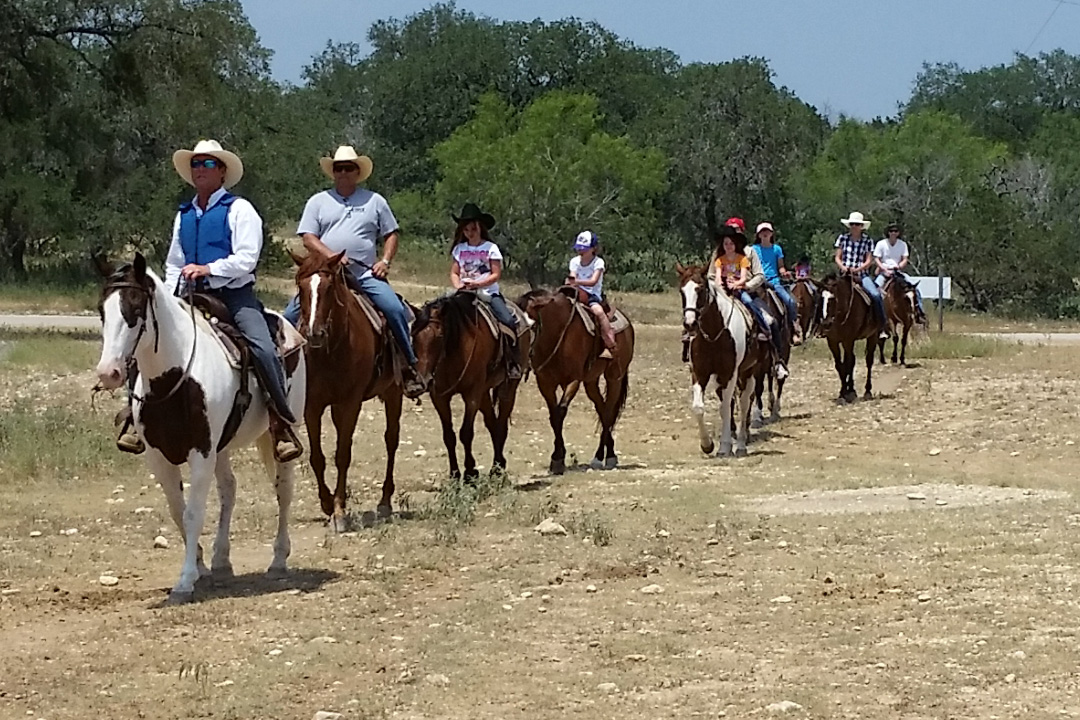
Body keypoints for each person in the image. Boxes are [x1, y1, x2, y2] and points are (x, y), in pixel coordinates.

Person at [116, 139, 302, 462]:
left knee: (261, 344)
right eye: (195, 164)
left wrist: (208, 268)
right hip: (189, 294)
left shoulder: (240, 210)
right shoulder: (184, 214)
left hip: (233, 295)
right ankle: (134, 417)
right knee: (143, 343)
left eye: (207, 164)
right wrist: (171, 295)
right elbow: (175, 261)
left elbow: (246, 258)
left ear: (222, 171)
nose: (199, 169)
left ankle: (280, 421)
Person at [283, 146, 427, 398]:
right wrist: (332, 257)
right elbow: (308, 237)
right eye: (338, 168)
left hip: (364, 274)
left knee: (394, 309)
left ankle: (408, 367)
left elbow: (391, 234)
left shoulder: (375, 201)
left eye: (348, 168)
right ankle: (282, 375)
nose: (343, 172)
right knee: (288, 317)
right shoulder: (318, 201)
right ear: (333, 172)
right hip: (326, 273)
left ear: (358, 172)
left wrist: (385, 261)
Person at [448, 203, 522, 379]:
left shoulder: (491, 248)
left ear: (480, 228)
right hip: (463, 292)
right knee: (437, 316)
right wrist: (458, 284)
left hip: (488, 293)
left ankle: (512, 361)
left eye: (473, 228)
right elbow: (454, 272)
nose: (469, 233)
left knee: (508, 321)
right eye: (466, 230)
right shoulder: (459, 249)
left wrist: (477, 284)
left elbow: (495, 274)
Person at [714, 218, 789, 379]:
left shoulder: (749, 252)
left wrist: (746, 285)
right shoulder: (719, 253)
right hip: (721, 293)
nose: (732, 233)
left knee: (770, 320)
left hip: (746, 291)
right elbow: (711, 275)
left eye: (736, 229)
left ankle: (777, 359)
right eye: (730, 229)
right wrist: (718, 286)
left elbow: (760, 275)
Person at [833, 211, 889, 339]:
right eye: (852, 224)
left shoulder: (867, 241)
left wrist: (857, 269)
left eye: (857, 224)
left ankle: (882, 326)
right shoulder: (842, 238)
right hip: (844, 274)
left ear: (861, 226)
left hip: (861, 275)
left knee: (875, 295)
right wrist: (843, 267)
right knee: (827, 294)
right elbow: (837, 257)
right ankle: (821, 325)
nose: (854, 226)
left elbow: (869, 260)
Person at [750, 221, 803, 346]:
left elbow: (780, 267)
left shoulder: (776, 249)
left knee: (790, 301)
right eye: (762, 232)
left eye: (767, 231)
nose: (765, 234)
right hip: (758, 282)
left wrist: (784, 273)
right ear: (758, 235)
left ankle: (794, 328)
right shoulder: (753, 249)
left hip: (774, 282)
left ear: (771, 234)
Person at [566, 230, 616, 359]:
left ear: (593, 249)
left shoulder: (598, 263)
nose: (580, 251)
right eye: (579, 248)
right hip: (575, 292)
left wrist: (576, 281)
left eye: (584, 249)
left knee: (599, 312)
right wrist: (571, 282)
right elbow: (572, 276)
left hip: (592, 295)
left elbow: (593, 281)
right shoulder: (574, 261)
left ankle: (609, 344)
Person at [873, 222, 927, 324]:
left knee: (915, 289)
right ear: (888, 233)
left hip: (897, 271)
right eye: (891, 231)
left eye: (895, 231)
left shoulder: (902, 244)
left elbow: (904, 259)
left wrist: (899, 266)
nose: (893, 233)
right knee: (875, 290)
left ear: (898, 233)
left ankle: (919, 313)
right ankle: (875, 316)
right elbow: (877, 259)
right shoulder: (881, 244)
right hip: (884, 271)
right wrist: (884, 269)